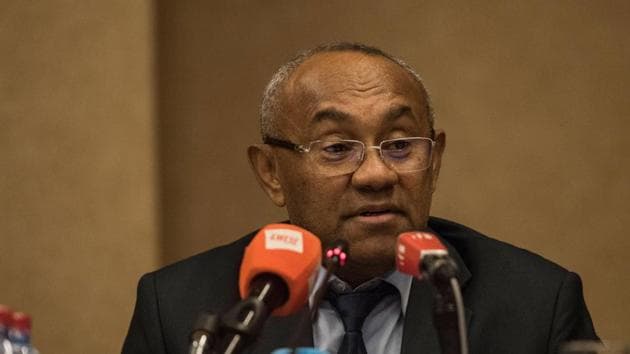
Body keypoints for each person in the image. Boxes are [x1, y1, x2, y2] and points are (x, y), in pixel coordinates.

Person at [121, 42, 598, 354]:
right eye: (336, 148)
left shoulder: (537, 304)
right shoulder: (178, 305)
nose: (375, 174)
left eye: (400, 145)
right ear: (271, 173)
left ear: (434, 160)